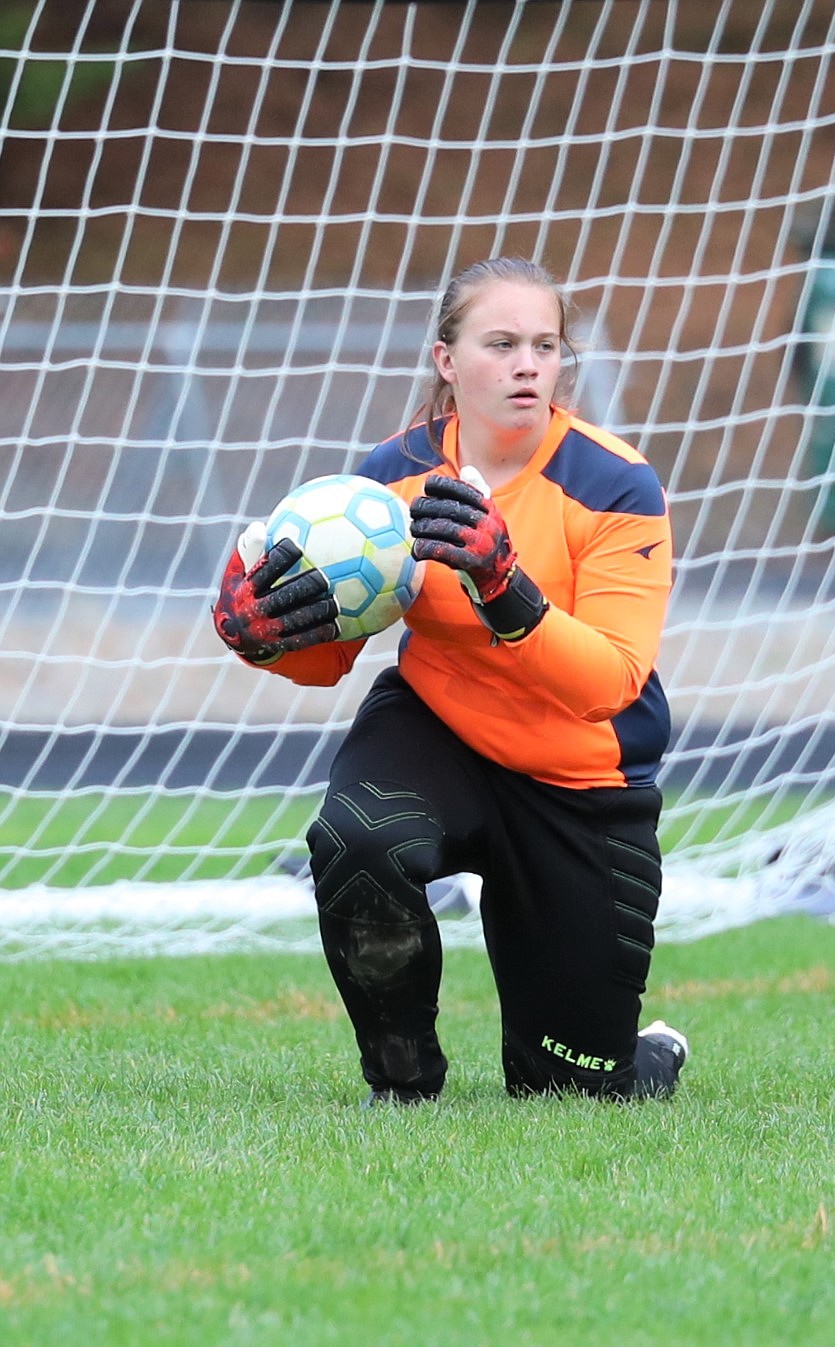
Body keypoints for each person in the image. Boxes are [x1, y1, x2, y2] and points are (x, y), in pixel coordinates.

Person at [213, 257, 688, 1105]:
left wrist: (506, 588)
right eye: (500, 342)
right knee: (360, 843)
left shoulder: (616, 482)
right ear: (446, 359)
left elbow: (611, 681)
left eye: (545, 345)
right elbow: (325, 659)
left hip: (577, 775)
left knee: (568, 1088)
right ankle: (400, 1081)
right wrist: (259, 636)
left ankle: (636, 1052)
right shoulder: (385, 476)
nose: (527, 364)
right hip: (439, 728)